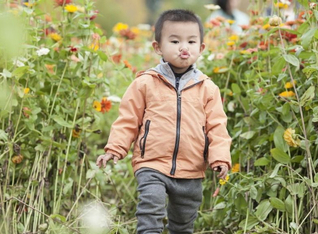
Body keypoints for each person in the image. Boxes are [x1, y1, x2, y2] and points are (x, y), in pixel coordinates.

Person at [96, 9, 232, 233]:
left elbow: (217, 127)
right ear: (158, 47)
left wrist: (220, 158)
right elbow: (127, 120)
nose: (184, 47)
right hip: (152, 164)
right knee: (150, 209)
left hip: (191, 169)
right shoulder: (145, 83)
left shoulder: (208, 88)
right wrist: (115, 149)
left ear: (201, 48)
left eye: (191, 41)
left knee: (183, 223)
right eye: (175, 41)